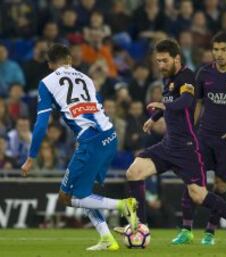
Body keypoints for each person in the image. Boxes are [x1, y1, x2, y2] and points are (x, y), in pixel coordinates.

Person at [122, 39, 226, 249]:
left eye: (164, 61)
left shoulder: (187, 77)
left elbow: (186, 102)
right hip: (168, 145)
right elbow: (172, 102)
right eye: (158, 61)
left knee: (198, 195)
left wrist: (163, 104)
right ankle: (141, 227)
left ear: (177, 58)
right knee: (133, 172)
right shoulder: (169, 79)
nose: (160, 65)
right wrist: (154, 118)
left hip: (187, 149)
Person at [21, 44, 138, 251]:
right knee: (85, 193)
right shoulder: (87, 78)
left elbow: (41, 124)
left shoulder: (47, 82)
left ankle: (123, 205)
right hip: (109, 137)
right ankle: (107, 239)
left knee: (69, 197)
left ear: (50, 64)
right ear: (70, 59)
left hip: (90, 142)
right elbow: (97, 107)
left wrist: (31, 156)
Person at [171, 32, 226, 246]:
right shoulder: (204, 73)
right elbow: (198, 104)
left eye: (224, 49)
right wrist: (190, 129)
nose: (219, 54)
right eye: (216, 49)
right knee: (193, 182)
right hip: (204, 137)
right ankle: (186, 229)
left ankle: (210, 233)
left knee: (221, 186)